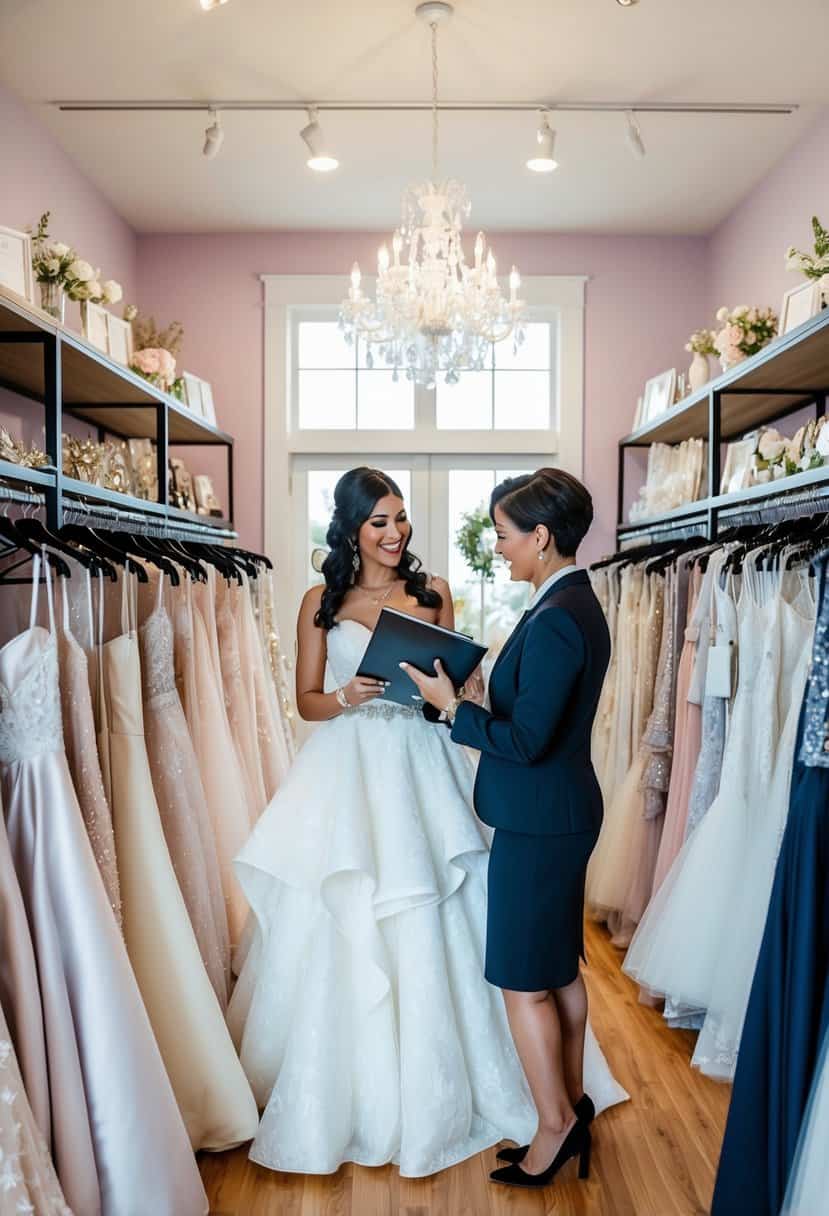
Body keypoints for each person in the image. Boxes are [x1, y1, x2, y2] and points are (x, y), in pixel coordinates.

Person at [228, 466, 625, 1178]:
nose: (394, 532)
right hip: (351, 768)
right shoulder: (320, 599)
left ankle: (551, 1111)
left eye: (400, 518)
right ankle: (546, 1106)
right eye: (379, 520)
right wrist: (347, 695)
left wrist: (462, 693)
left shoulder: (433, 591)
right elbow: (306, 703)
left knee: (470, 917)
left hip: (428, 758)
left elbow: (465, 688)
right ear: (350, 528)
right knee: (354, 910)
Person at [403, 468, 611, 1190]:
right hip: (554, 813)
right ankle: (573, 1103)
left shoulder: (556, 615)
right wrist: (478, 692)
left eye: (502, 535)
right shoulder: (565, 601)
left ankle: (552, 1126)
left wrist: (447, 707)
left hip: (542, 820)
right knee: (557, 969)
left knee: (523, 982)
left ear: (541, 536)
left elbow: (525, 742)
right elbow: (535, 715)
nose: (497, 548)